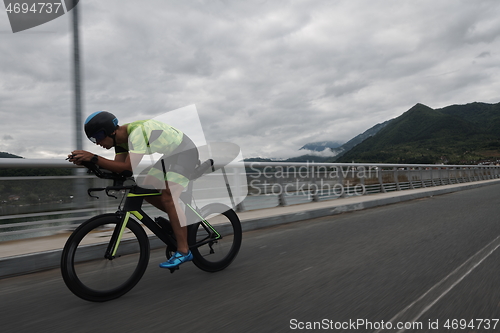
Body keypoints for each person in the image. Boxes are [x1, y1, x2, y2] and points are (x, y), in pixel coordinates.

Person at [68, 111, 199, 269]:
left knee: (168, 196)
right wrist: (89, 163)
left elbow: (128, 168)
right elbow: (119, 170)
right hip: (170, 154)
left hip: (185, 151)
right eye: (92, 139)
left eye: (97, 136)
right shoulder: (121, 142)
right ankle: (179, 222)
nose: (97, 142)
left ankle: (184, 251)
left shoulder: (137, 133)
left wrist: (94, 158)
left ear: (110, 130)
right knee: (146, 186)